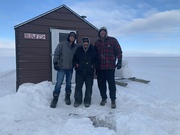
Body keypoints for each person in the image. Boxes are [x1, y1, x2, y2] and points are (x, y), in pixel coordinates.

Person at [94, 27, 123, 109]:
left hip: (110, 67)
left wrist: (119, 61)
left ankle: (113, 100)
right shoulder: (97, 43)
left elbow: (119, 51)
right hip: (100, 68)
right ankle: (104, 98)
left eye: (104, 32)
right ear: (99, 33)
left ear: (106, 33)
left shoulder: (113, 40)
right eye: (101, 32)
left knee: (111, 85)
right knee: (101, 85)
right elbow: (94, 55)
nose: (102, 33)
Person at [50, 32, 78, 108]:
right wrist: (55, 63)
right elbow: (56, 54)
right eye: (71, 36)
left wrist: (76, 64)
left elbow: (78, 56)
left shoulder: (76, 46)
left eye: (74, 37)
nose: (72, 37)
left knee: (69, 83)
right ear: (69, 37)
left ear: (75, 38)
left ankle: (67, 97)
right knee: (58, 83)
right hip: (61, 68)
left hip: (70, 68)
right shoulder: (61, 44)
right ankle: (55, 99)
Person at [73, 37, 99, 108]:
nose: (85, 43)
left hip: (89, 73)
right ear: (82, 43)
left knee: (89, 88)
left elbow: (97, 60)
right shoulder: (79, 49)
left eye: (87, 42)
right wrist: (75, 64)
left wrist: (93, 65)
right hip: (79, 72)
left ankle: (87, 101)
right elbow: (74, 59)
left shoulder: (93, 49)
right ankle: (78, 101)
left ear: (89, 43)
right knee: (78, 87)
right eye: (84, 42)